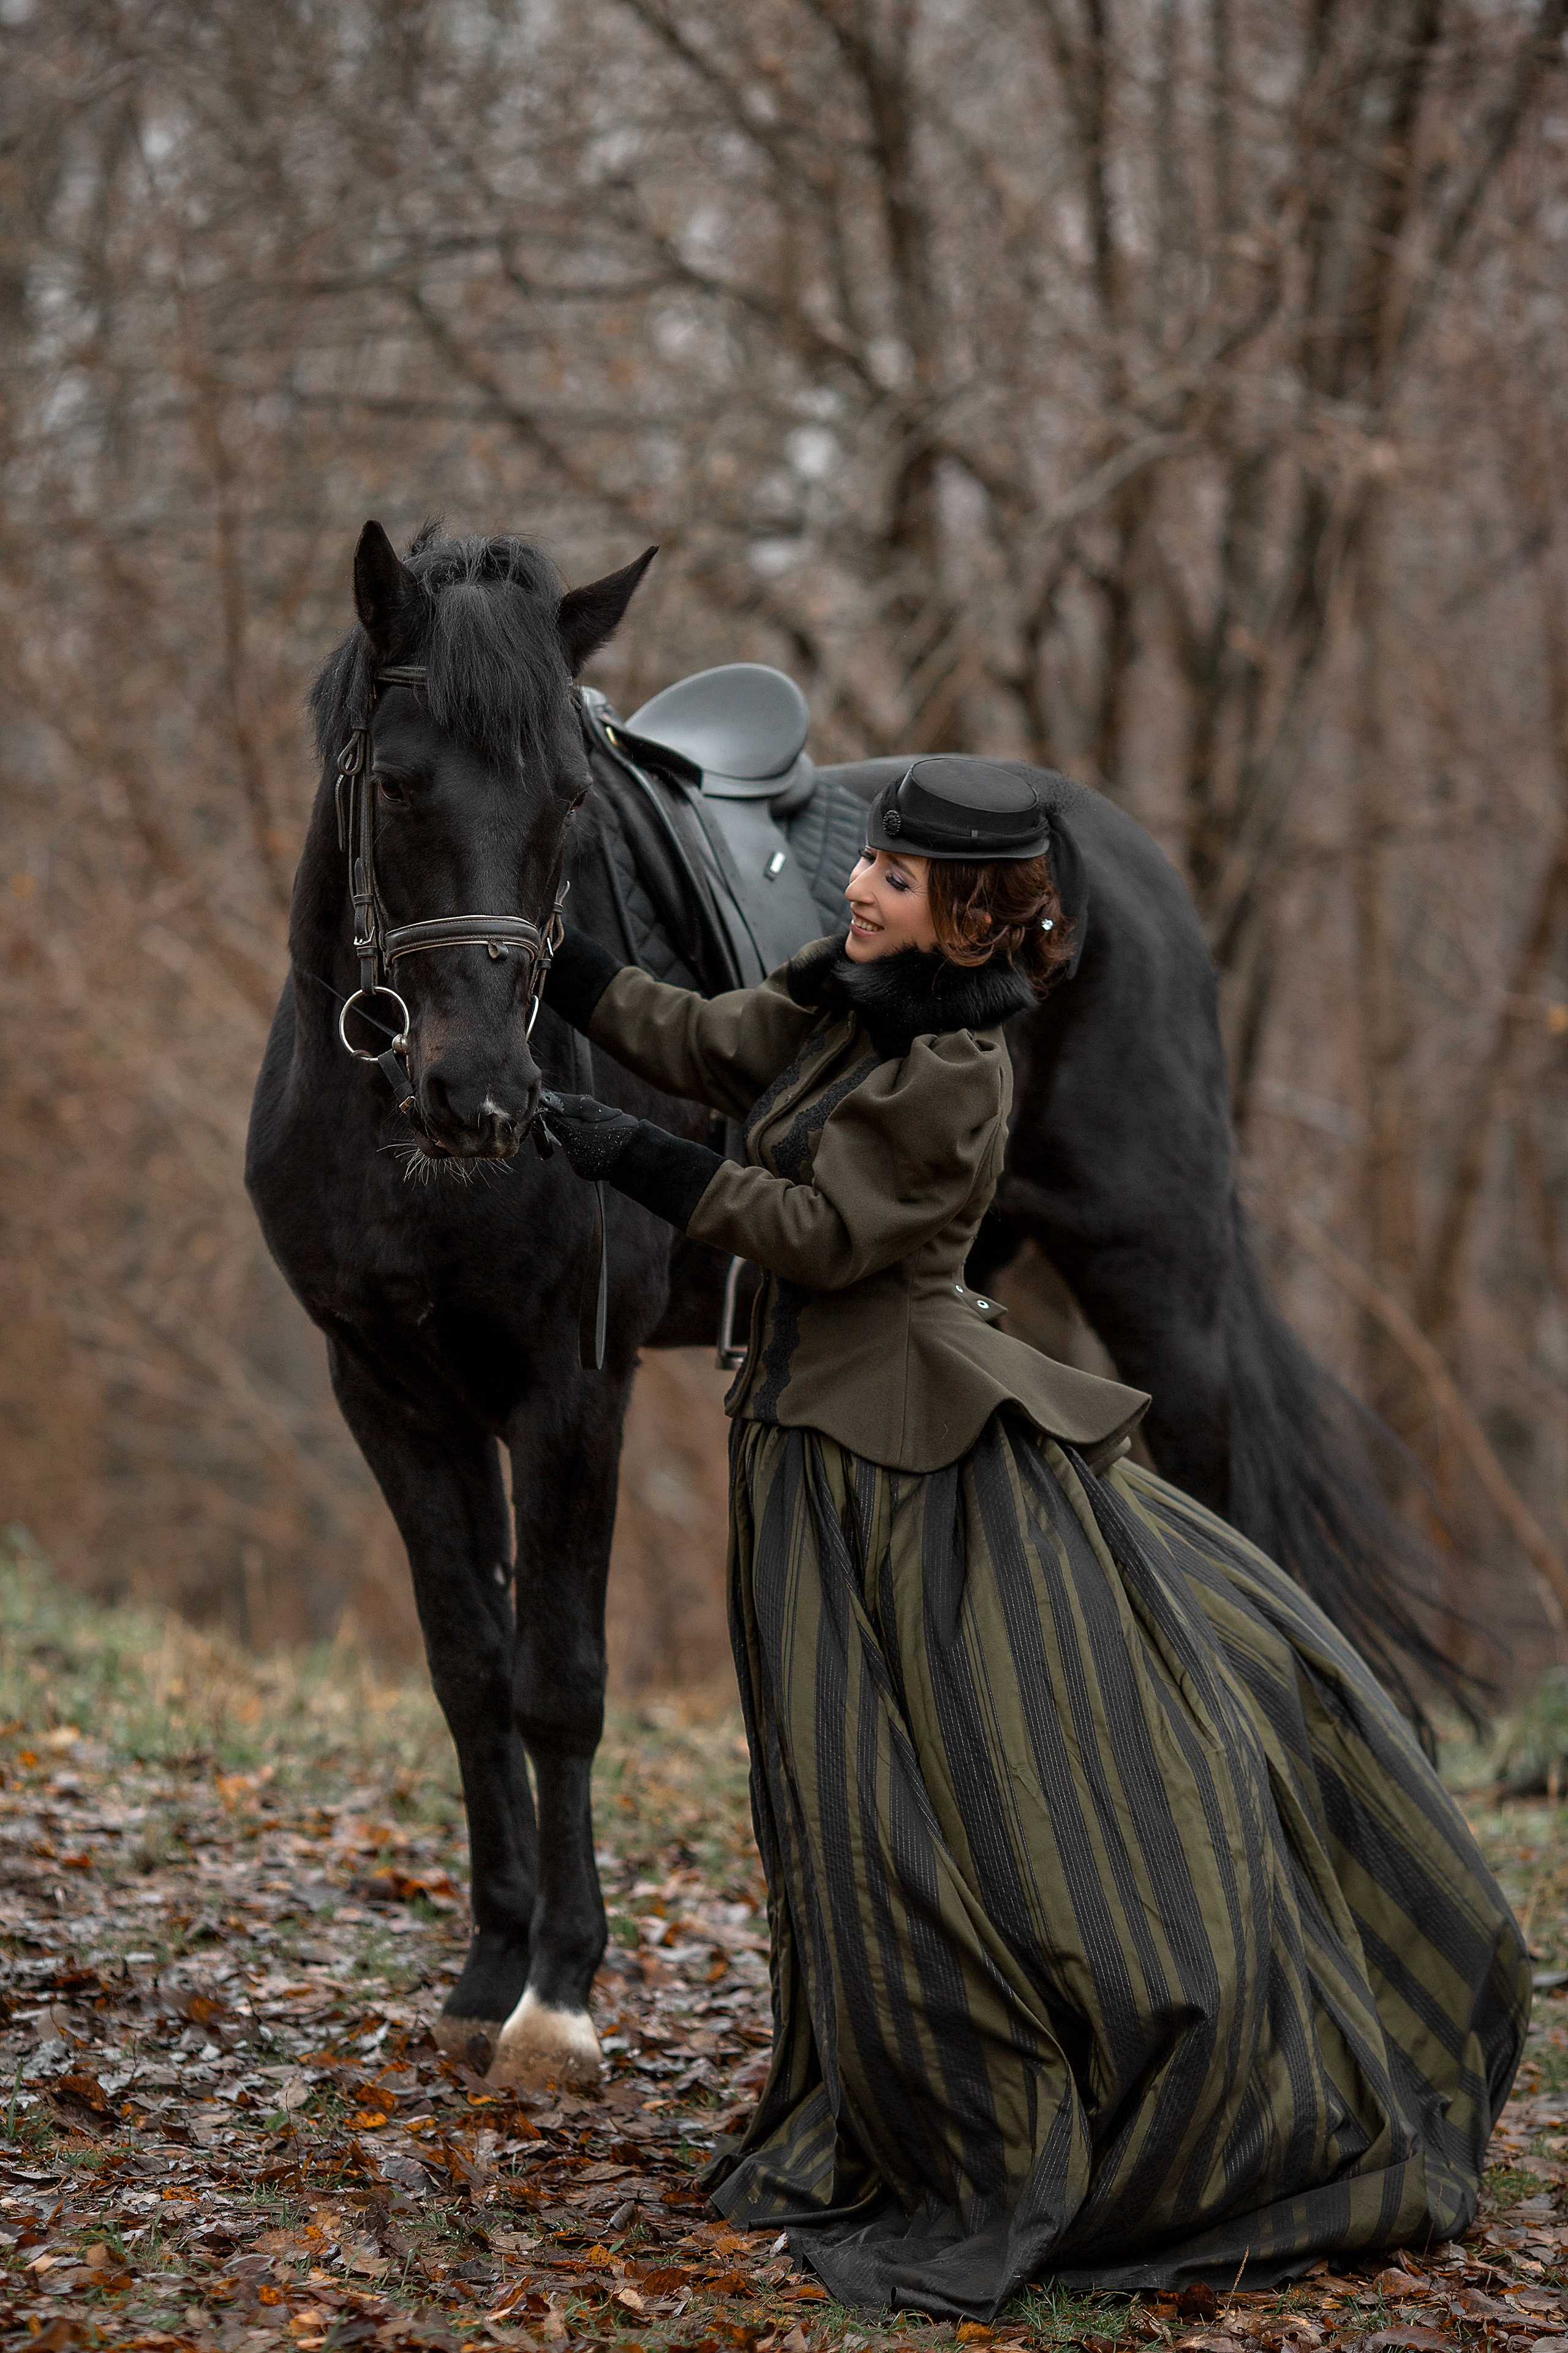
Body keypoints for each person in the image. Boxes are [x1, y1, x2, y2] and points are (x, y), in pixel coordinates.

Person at [536, 757, 1529, 2322]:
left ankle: (1034, 2094)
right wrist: (555, 961)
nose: (855, 885)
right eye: (868, 863)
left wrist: (629, 1156)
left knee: (923, 1796)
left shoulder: (954, 1073)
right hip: (803, 1448)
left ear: (966, 920)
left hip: (898, 1457)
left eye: (894, 878)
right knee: (834, 1797)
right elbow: (704, 1038)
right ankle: (884, 2088)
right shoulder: (847, 994)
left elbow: (820, 1239)